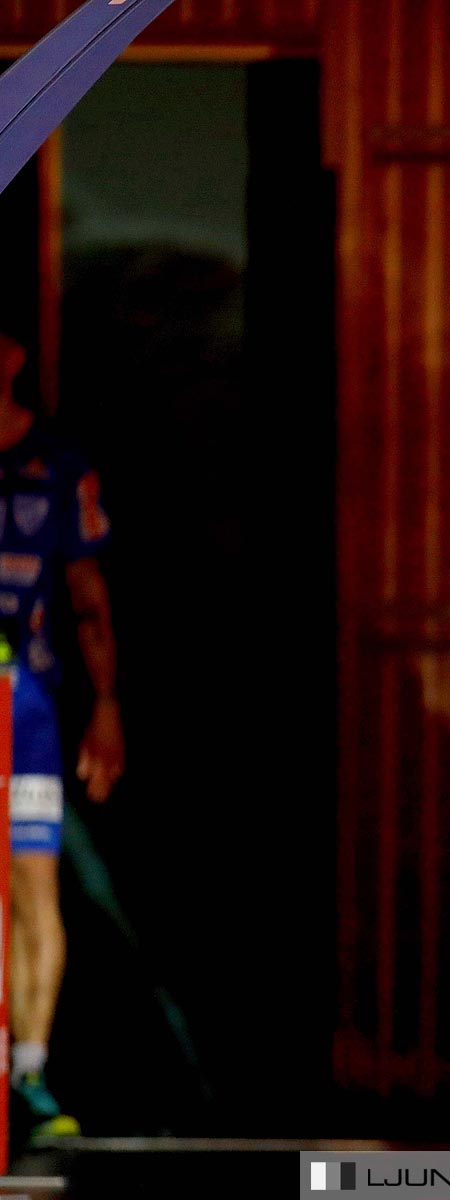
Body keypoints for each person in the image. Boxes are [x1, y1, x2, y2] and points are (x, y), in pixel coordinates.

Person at [0, 334, 124, 1142]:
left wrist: (107, 706)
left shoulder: (57, 462)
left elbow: (88, 594)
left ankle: (31, 1074)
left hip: (28, 706)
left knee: (33, 895)